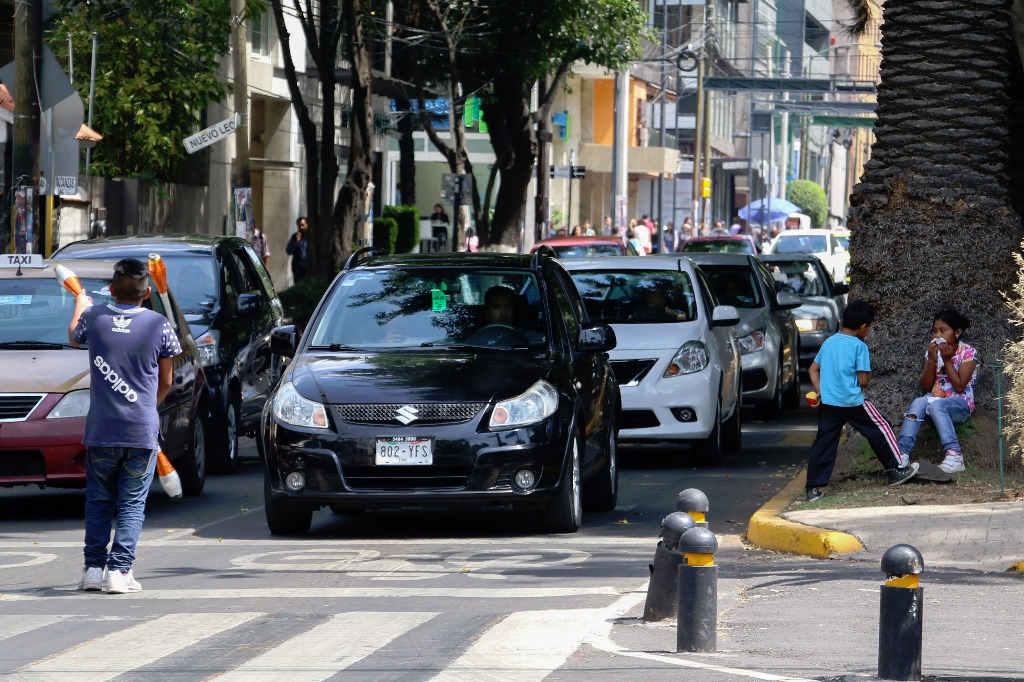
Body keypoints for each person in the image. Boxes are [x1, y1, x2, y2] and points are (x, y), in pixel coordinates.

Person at [68, 258, 181, 593]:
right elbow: (167, 379)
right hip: (139, 430)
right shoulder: (159, 325)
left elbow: (75, 337)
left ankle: (92, 570)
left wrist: (79, 301)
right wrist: (149, 406)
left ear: (112, 290)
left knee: (99, 501)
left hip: (102, 430)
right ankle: (119, 572)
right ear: (146, 294)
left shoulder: (95, 317)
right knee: (131, 504)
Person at [805, 300, 919, 502]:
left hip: (829, 403)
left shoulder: (829, 342)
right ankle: (896, 468)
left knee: (824, 441)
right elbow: (863, 380)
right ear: (863, 326)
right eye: (869, 327)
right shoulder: (859, 346)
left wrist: (821, 390)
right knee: (880, 426)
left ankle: (813, 487)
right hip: (852, 401)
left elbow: (813, 370)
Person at [896, 308, 980, 474]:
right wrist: (931, 360)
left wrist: (947, 359)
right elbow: (926, 386)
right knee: (918, 402)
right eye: (935, 331)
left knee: (937, 406)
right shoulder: (933, 352)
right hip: (934, 399)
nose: (937, 335)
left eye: (943, 330)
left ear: (957, 332)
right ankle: (901, 453)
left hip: (960, 404)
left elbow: (959, 386)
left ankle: (955, 455)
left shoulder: (968, 352)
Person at [285, 216, 309, 282]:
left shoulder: (311, 237)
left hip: (308, 267)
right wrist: (296, 242)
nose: (301, 228)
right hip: (298, 267)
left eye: (303, 225)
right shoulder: (295, 237)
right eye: (299, 226)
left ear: (307, 224)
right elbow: (288, 251)